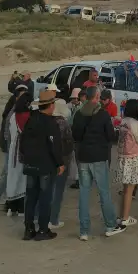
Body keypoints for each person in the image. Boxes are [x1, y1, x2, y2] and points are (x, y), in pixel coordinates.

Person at [71, 86, 125, 239]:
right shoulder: (103, 114)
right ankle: (110, 225)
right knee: (104, 192)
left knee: (84, 193)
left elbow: (76, 135)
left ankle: (84, 231)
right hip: (99, 157)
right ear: (96, 96)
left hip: (83, 157)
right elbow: (110, 135)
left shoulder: (79, 113)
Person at [20, 89, 64, 241]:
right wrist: (60, 163)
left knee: (31, 197)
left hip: (30, 164)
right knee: (45, 198)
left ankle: (28, 228)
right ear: (51, 105)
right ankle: (43, 230)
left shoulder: (31, 120)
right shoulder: (51, 123)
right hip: (45, 165)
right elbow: (55, 146)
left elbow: (23, 141)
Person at [115, 98, 138, 228]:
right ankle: (125, 218)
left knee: (124, 189)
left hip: (122, 157)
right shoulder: (134, 123)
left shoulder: (123, 122)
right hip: (132, 158)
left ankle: (120, 216)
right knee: (130, 190)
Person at [0, 84, 29, 206]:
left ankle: (4, 196)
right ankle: (1, 196)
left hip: (12, 145)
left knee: (10, 172)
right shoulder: (14, 112)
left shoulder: (14, 110)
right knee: (9, 172)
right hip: (11, 146)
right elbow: (8, 132)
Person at [49, 97, 74, 230]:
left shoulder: (49, 121)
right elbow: (68, 145)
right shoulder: (63, 124)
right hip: (62, 162)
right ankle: (53, 220)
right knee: (58, 191)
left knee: (47, 190)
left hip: (48, 161)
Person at [5, 91, 32, 216]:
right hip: (24, 150)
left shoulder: (13, 116)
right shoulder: (29, 116)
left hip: (13, 150)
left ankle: (11, 207)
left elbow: (10, 133)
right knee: (22, 179)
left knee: (12, 177)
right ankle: (21, 208)